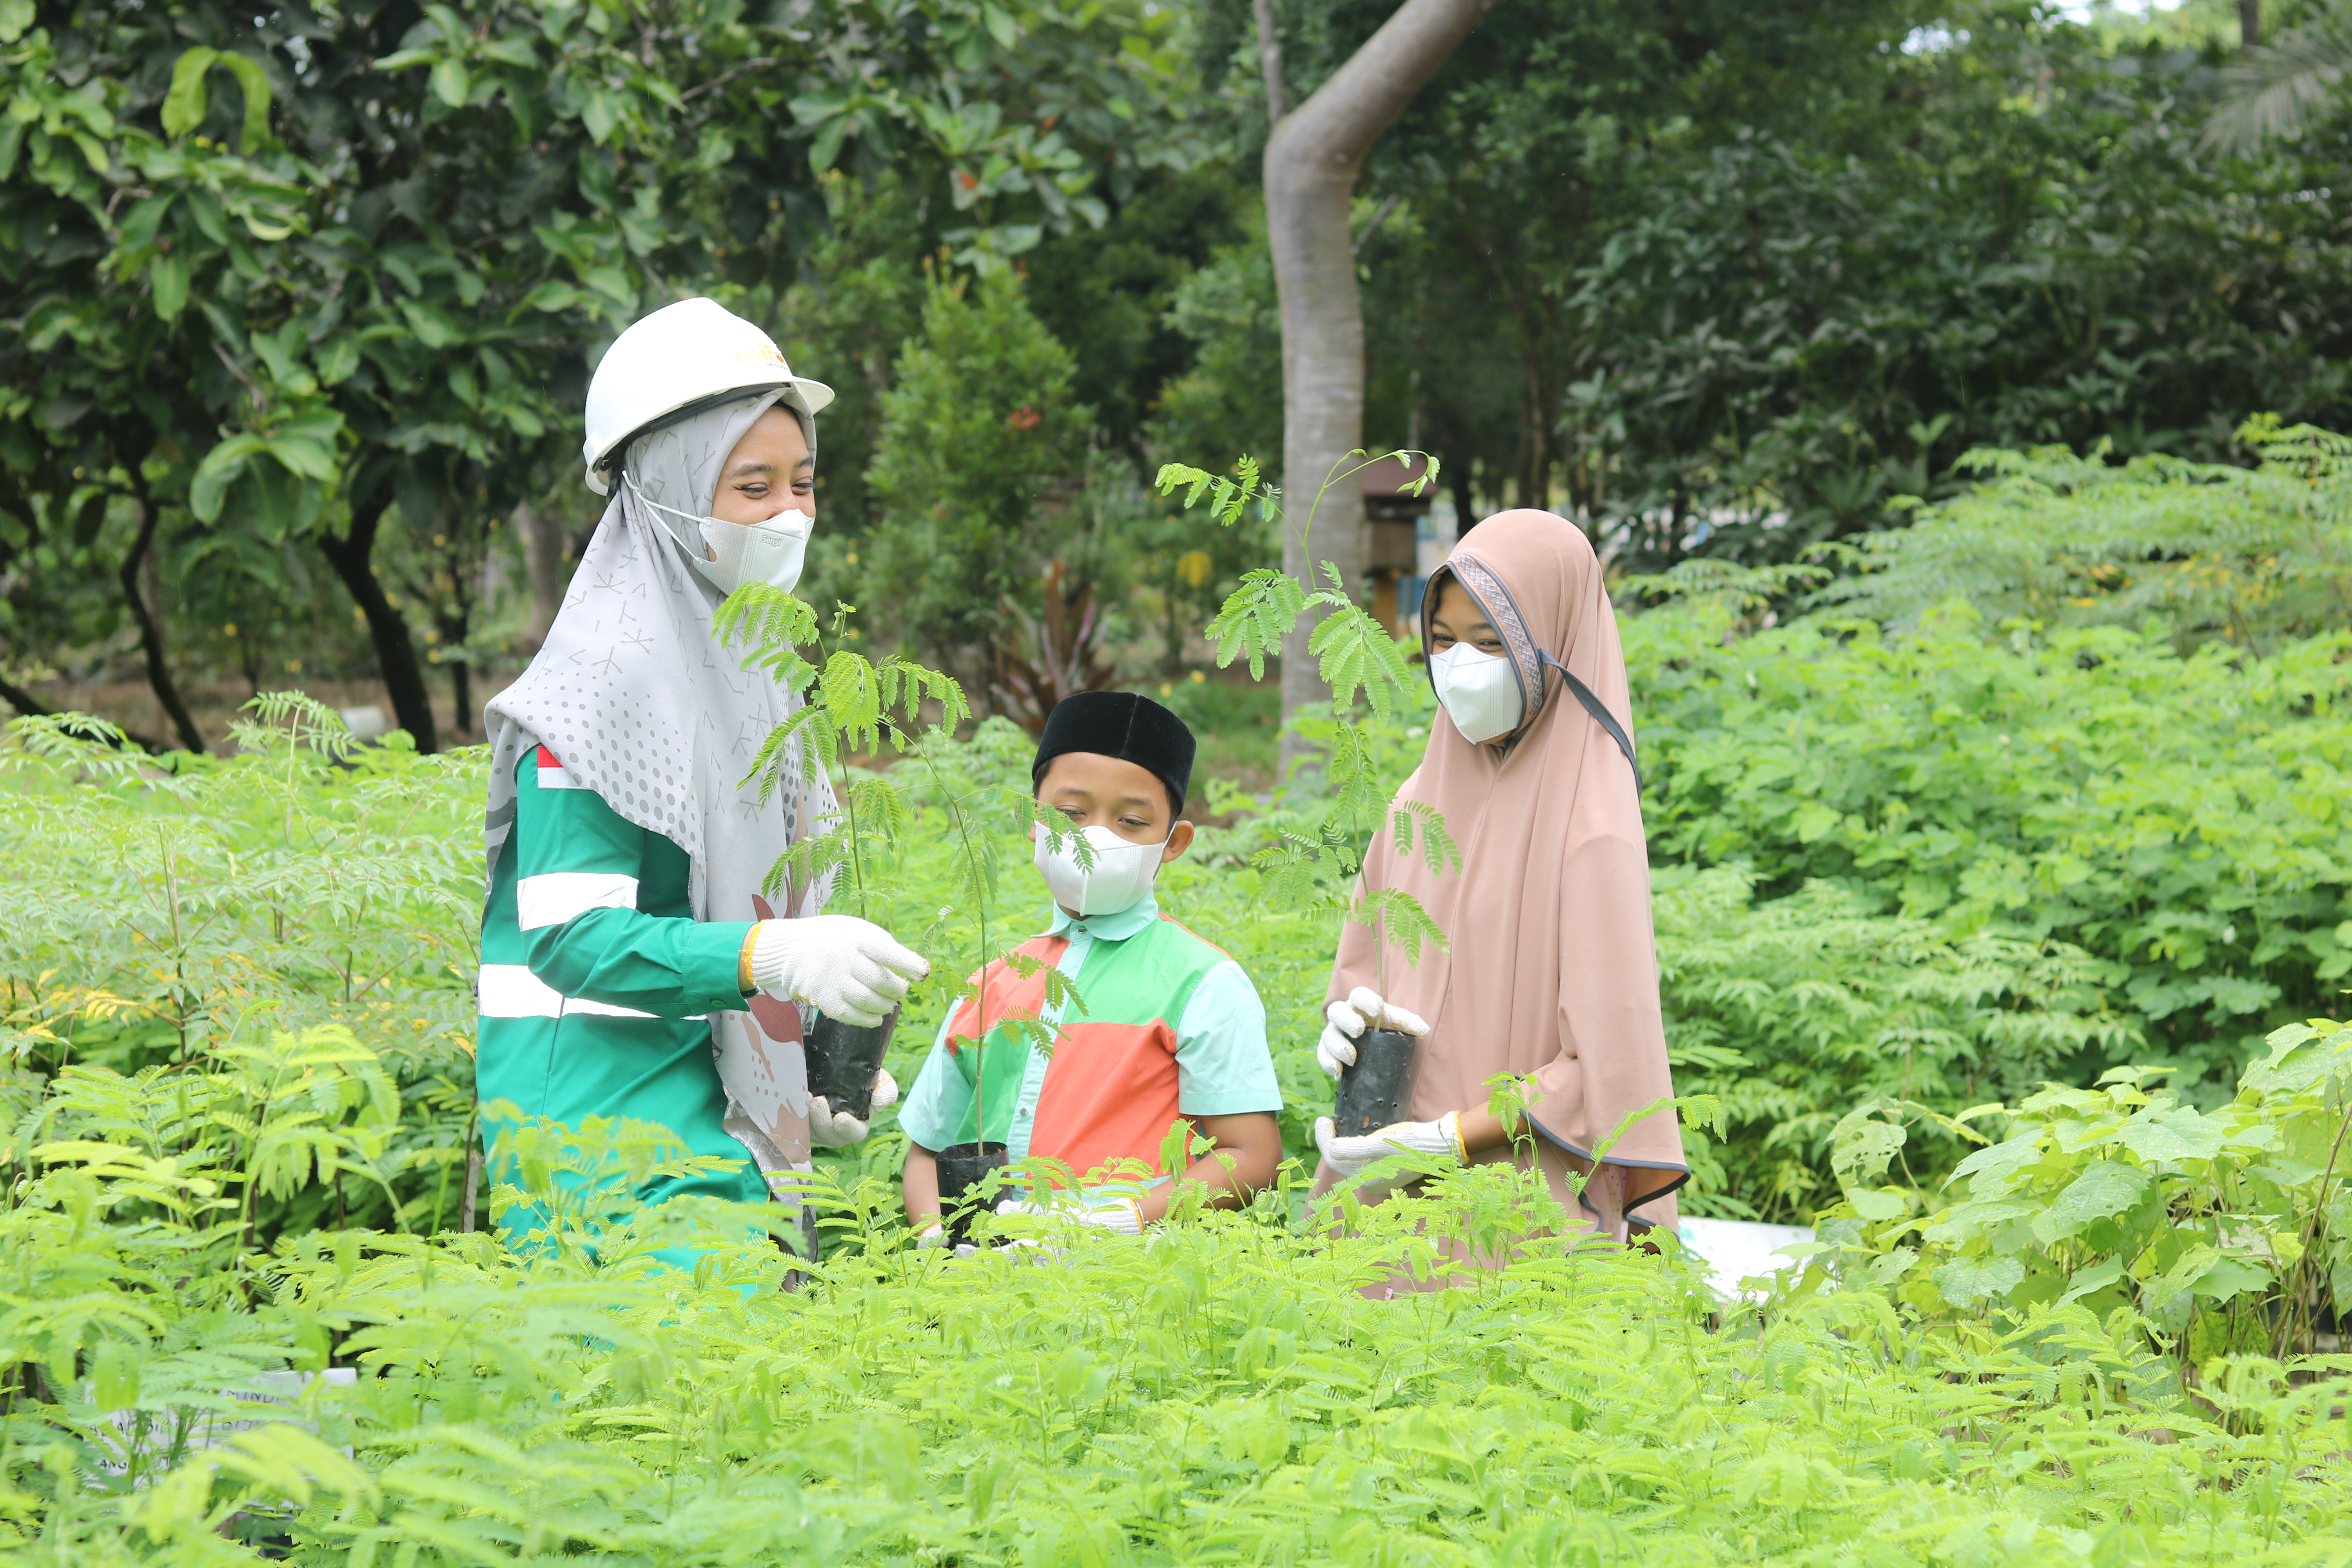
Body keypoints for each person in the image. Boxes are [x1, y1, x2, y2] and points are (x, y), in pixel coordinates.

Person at [477, 297, 929, 1258]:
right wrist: (773, 958)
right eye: (753, 486)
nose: (790, 514)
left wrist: (800, 1060)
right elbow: (568, 936)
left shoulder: (754, 667)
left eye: (803, 483)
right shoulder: (602, 681)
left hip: (705, 1100)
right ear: (665, 486)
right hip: (600, 1126)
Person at [1310, 509, 1687, 1256]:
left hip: (1516, 1216)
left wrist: (1448, 1138)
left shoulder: (1592, 829)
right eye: (1442, 640)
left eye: (1491, 643)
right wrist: (1346, 1026)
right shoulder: (1416, 804)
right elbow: (1364, 971)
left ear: (1554, 647)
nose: (1461, 666)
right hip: (1381, 1194)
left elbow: (1607, 1072)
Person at [898, 691, 1283, 1239]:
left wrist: (1115, 1225)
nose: (1093, 838)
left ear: (1173, 843)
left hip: (1133, 1278)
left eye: (1131, 821)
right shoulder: (989, 985)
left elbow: (1251, 1157)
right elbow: (926, 1151)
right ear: (1032, 820)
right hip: (983, 1282)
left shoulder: (1204, 983)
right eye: (1071, 814)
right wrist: (936, 1244)